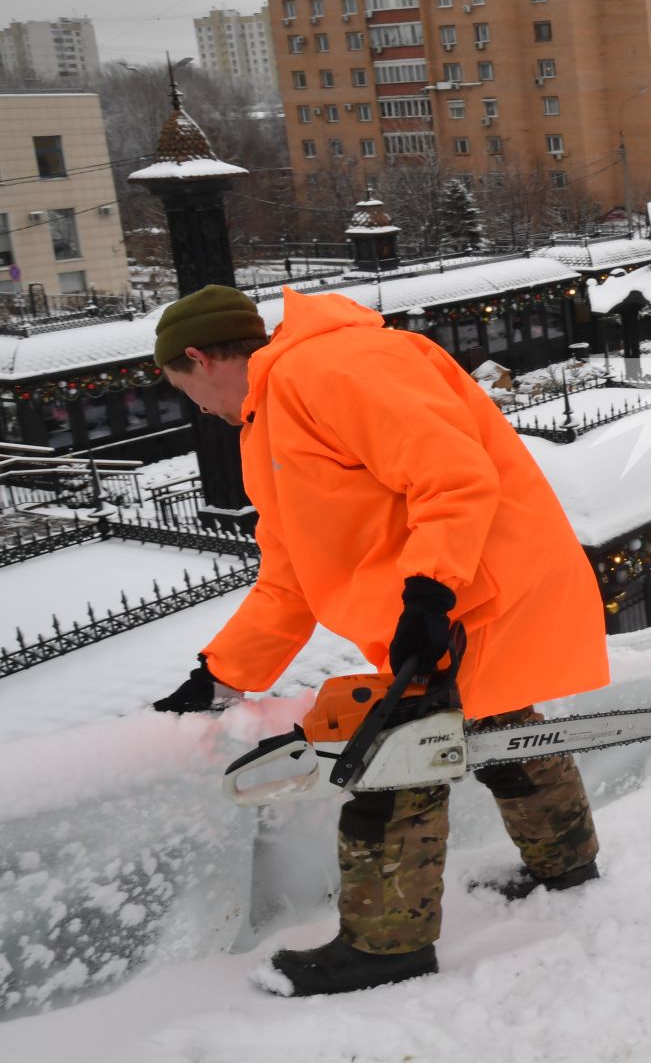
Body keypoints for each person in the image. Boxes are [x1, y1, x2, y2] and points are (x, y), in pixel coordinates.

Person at [150, 285, 609, 997]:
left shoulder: (333, 367)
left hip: (471, 590)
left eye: (185, 390)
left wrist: (429, 593)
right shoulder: (267, 423)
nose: (197, 408)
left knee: (394, 763)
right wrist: (220, 673)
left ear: (201, 358)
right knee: (495, 725)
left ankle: (387, 945)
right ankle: (566, 864)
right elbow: (291, 573)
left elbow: (451, 477)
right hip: (449, 596)